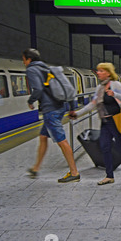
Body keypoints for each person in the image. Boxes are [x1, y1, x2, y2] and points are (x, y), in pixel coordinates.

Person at [69, 62, 121, 185]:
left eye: (101, 71)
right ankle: (109, 176)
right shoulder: (100, 88)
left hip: (116, 121)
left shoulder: (116, 84)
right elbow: (93, 104)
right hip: (105, 122)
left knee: (119, 147)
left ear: (108, 73)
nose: (98, 73)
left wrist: (114, 94)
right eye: (98, 71)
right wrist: (77, 114)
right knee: (104, 147)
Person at [23, 48, 80, 183]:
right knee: (43, 137)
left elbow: (38, 89)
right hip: (60, 107)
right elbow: (67, 88)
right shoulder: (48, 69)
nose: (23, 62)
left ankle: (74, 172)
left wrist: (31, 101)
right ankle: (36, 168)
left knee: (62, 141)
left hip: (50, 111)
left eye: (24, 59)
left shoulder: (32, 70)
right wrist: (72, 108)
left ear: (29, 60)